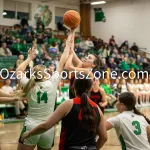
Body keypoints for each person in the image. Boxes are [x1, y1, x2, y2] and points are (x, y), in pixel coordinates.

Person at [17, 29, 75, 150]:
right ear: (44, 75)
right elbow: (62, 63)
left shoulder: (29, 84)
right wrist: (68, 43)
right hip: (47, 127)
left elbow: (18, 71)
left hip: (31, 125)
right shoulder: (52, 83)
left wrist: (29, 58)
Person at [21, 74, 108, 150]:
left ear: (74, 88)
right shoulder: (97, 108)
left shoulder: (68, 104)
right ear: (90, 88)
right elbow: (104, 137)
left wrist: (29, 133)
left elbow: (46, 125)